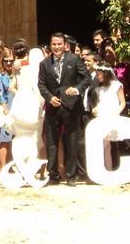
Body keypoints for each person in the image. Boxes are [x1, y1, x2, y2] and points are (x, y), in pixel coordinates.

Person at [37, 32, 91, 185]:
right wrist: (49, 97)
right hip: (53, 106)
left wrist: (77, 89)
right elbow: (41, 84)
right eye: (54, 44)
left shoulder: (74, 59)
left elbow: (86, 78)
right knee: (52, 141)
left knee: (71, 140)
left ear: (64, 45)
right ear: (50, 45)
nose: (56, 47)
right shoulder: (45, 63)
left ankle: (71, 176)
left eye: (59, 44)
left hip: (71, 106)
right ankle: (53, 176)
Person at [0, 47, 17, 171]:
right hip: (6, 109)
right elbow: (0, 93)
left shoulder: (17, 75)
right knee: (5, 139)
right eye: (6, 61)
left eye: (11, 61)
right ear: (2, 62)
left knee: (14, 140)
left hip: (18, 109)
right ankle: (2, 169)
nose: (8, 63)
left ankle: (11, 166)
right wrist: (5, 109)